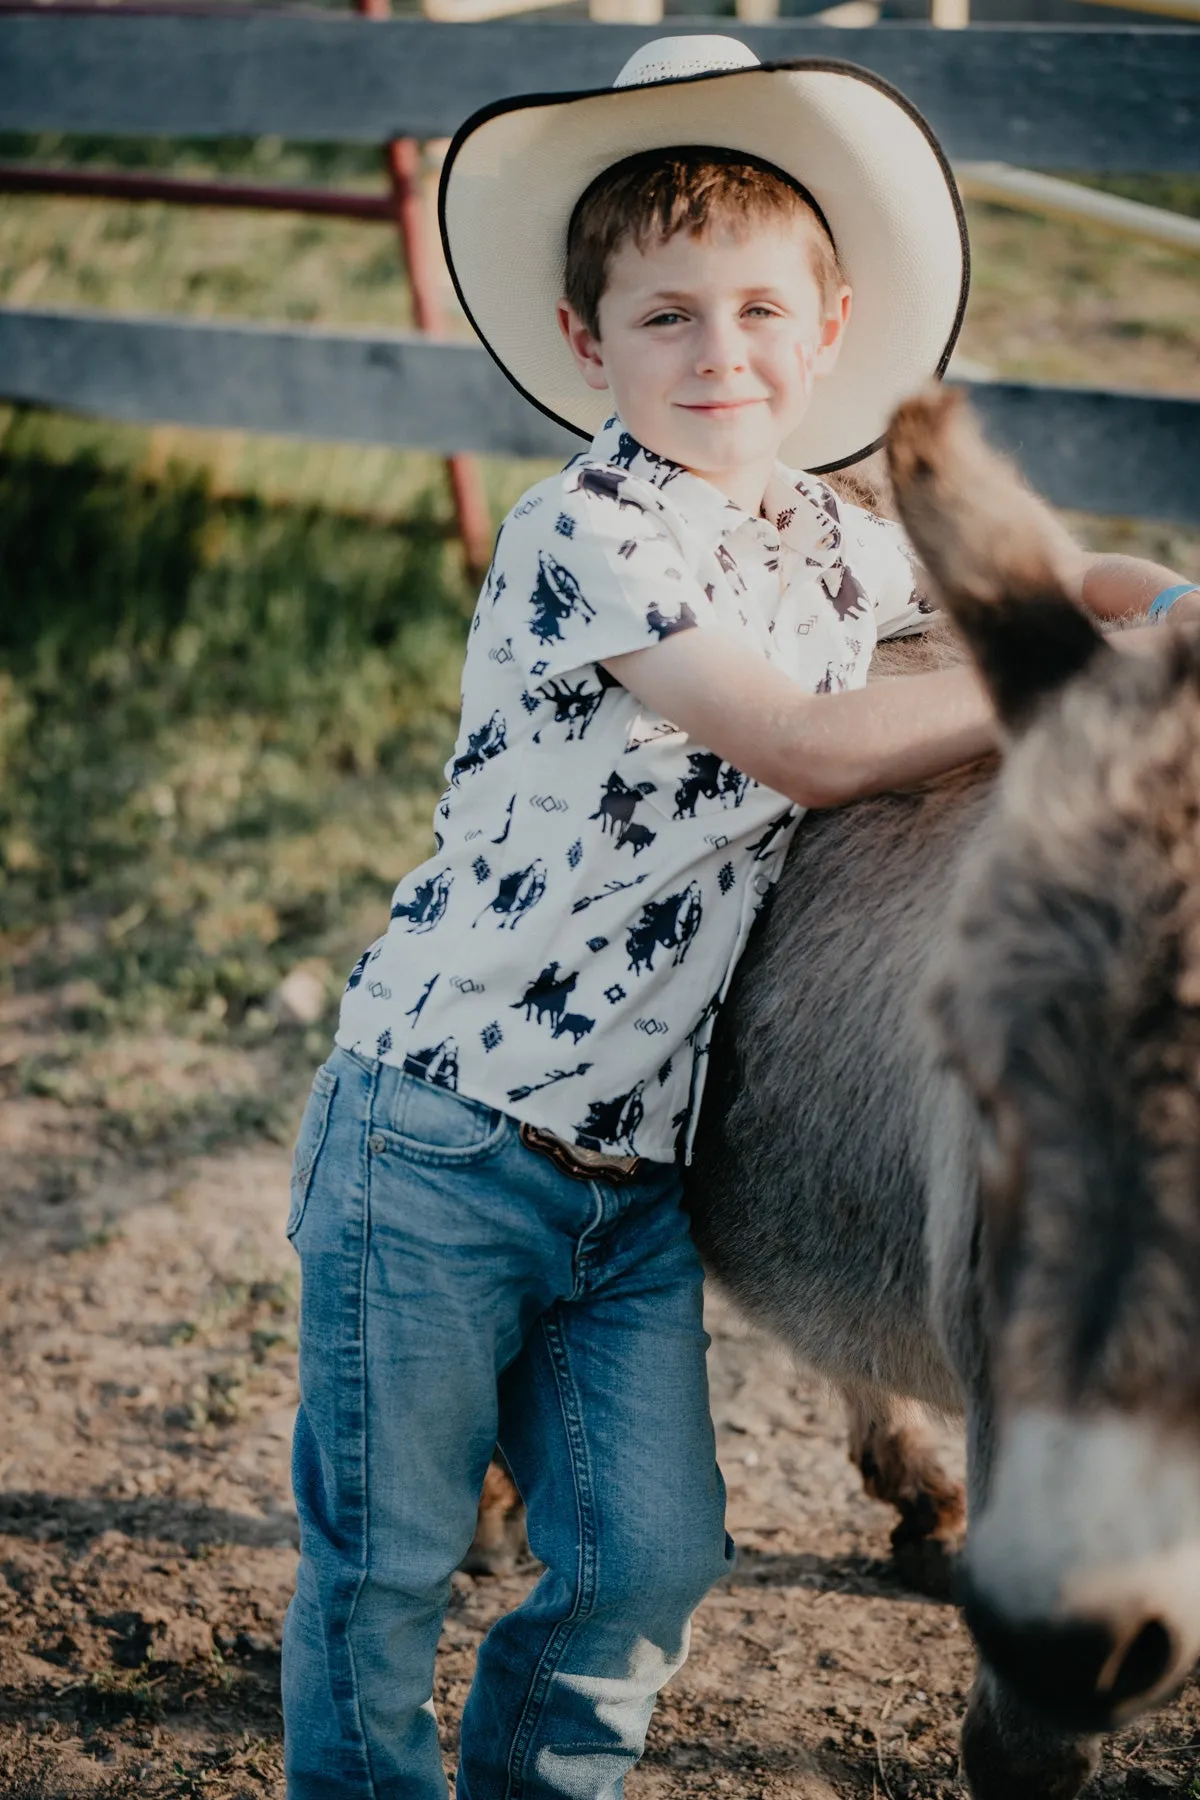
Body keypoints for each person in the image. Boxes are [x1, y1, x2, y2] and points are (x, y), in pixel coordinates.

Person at [280, 35, 1198, 1800]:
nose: (723, 355)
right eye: (669, 317)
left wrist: (1159, 597)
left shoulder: (837, 538)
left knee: (648, 1561)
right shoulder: (588, 534)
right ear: (585, 344)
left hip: (634, 1173)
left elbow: (1055, 573)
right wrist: (1094, 687)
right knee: (385, 1565)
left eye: (762, 312)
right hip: (443, 1132)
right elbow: (801, 745)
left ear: (831, 328)